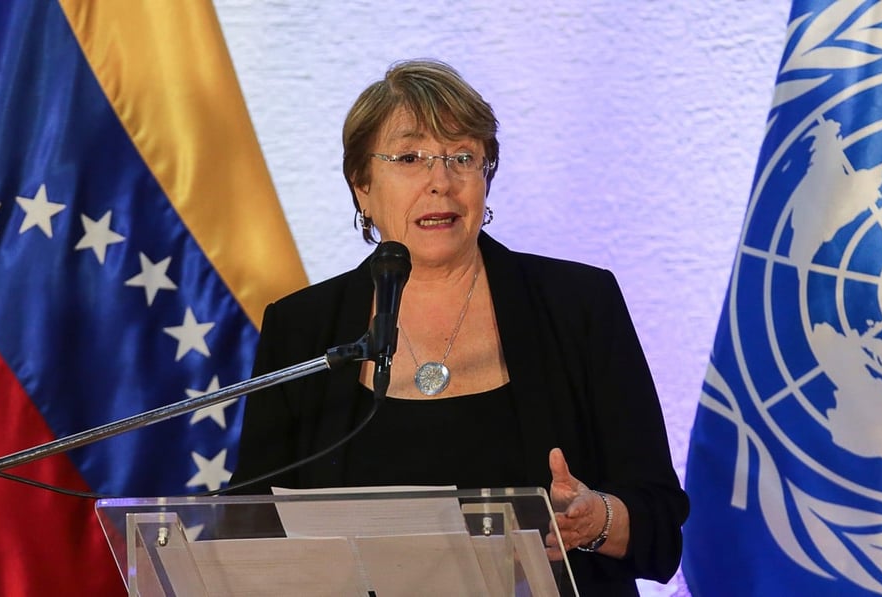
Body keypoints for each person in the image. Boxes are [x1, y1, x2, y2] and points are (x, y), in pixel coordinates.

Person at [229, 59, 689, 595]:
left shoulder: (578, 306)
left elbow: (660, 523)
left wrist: (596, 519)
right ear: (362, 187)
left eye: (463, 158)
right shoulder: (302, 328)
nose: (440, 183)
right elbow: (250, 523)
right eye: (409, 158)